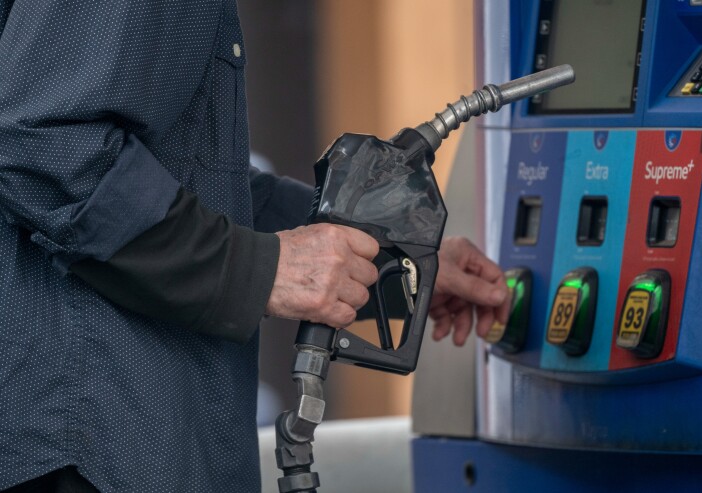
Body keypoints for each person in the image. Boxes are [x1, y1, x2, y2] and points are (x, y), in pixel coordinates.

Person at [0, 1, 509, 491]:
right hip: (91, 449)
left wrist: (394, 260)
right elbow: (45, 145)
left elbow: (185, 176)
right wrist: (259, 269)